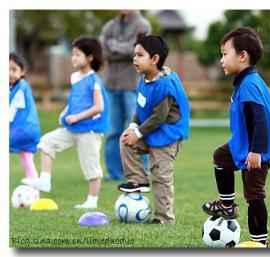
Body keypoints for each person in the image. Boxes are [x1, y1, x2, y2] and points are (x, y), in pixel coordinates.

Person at [202, 27, 270, 246]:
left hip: (258, 149)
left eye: (225, 54)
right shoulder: (245, 80)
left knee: (253, 194)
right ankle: (227, 205)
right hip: (244, 145)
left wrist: (256, 151)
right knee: (220, 157)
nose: (221, 59)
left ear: (242, 56)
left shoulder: (250, 84)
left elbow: (260, 121)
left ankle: (259, 242)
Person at [22, 36, 109, 209]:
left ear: (90, 57)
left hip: (89, 131)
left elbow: (99, 107)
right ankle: (45, 180)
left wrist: (77, 117)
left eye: (77, 54)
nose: (73, 58)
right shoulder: (74, 77)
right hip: (72, 129)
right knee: (46, 142)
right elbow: (74, 100)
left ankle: (92, 201)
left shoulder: (94, 81)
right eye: (73, 54)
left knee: (91, 167)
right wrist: (64, 113)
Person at [117, 34, 190, 224]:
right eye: (134, 55)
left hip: (168, 136)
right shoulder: (145, 79)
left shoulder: (164, 84)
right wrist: (133, 127)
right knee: (125, 141)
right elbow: (140, 106)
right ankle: (138, 179)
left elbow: (159, 117)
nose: (134, 59)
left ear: (154, 59)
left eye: (140, 55)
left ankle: (164, 217)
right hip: (151, 131)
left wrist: (138, 133)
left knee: (160, 176)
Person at [100, 10, 151, 181]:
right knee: (114, 131)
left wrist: (115, 45)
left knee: (136, 130)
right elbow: (104, 51)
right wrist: (123, 47)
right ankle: (114, 173)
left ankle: (141, 173)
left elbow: (137, 51)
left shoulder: (143, 25)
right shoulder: (109, 25)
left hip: (131, 86)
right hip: (111, 86)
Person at [9, 53, 41, 179]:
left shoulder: (21, 87)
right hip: (28, 131)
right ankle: (34, 189)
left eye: (14, 69)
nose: (10, 73)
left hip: (24, 130)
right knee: (27, 161)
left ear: (22, 71)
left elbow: (11, 113)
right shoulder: (14, 88)